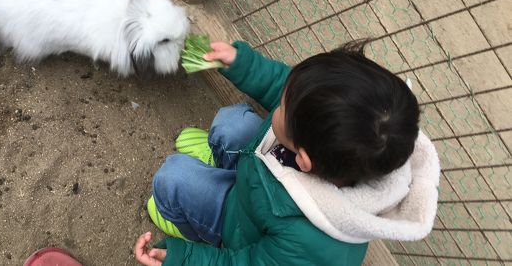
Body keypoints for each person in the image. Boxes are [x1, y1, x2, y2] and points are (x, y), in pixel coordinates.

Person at [134, 40, 440, 266]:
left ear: (303, 159)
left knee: (172, 179)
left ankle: (194, 230)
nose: (280, 99)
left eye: (282, 104)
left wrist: (182, 258)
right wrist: (241, 63)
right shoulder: (346, 137)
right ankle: (222, 164)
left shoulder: (308, 245)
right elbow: (287, 83)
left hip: (239, 229)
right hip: (257, 184)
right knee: (231, 122)